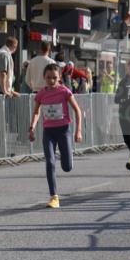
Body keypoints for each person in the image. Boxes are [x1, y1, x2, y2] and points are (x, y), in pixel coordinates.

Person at [29, 63, 83, 209]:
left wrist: (78, 131)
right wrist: (32, 127)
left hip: (63, 130)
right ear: (44, 77)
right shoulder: (41, 94)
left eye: (54, 77)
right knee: (50, 162)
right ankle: (54, 197)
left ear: (59, 77)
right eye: (48, 77)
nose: (51, 80)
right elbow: (36, 112)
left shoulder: (64, 91)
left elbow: (77, 111)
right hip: (49, 132)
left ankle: (68, 157)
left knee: (67, 167)